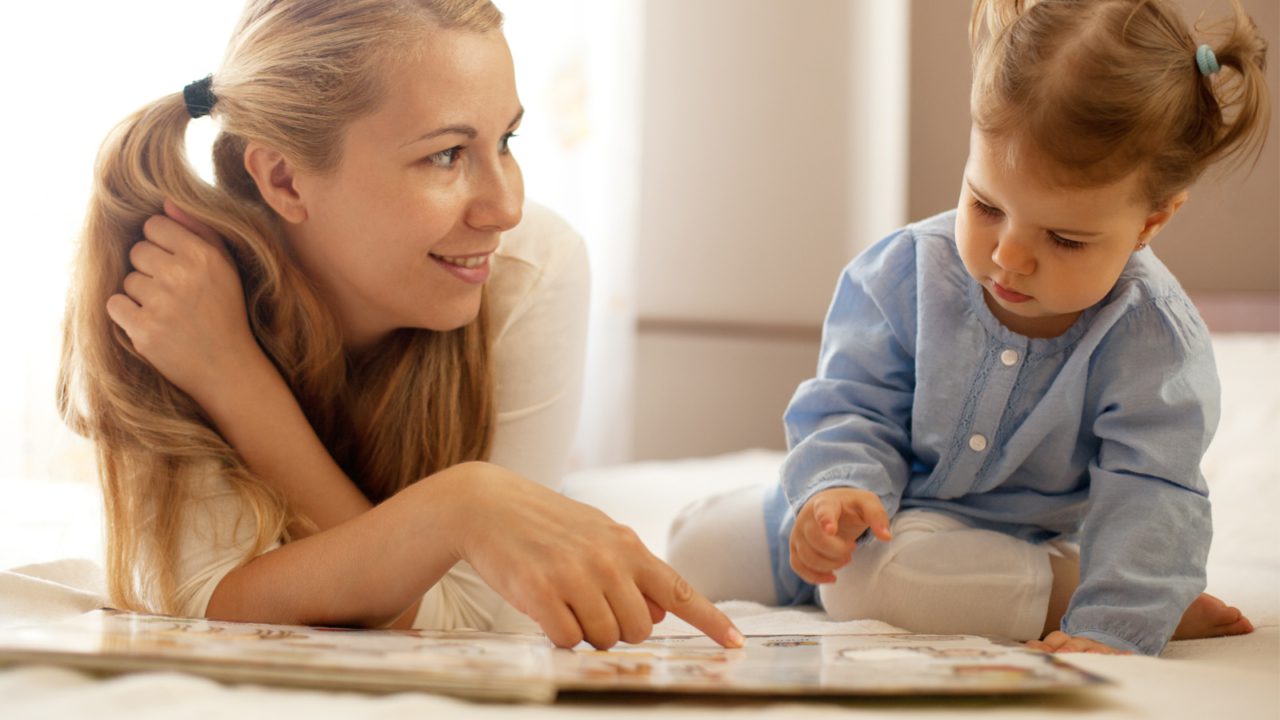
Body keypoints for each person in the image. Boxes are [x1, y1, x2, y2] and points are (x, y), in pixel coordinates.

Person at [58, 0, 742, 652]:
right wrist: (229, 372)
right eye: (446, 155)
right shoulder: (175, 295)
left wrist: (464, 507)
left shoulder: (530, 268)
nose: (505, 207)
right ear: (284, 180)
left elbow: (478, 619)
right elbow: (196, 603)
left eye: (506, 140)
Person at [668, 0, 1269, 656]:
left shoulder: (1152, 341)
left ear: (1152, 221)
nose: (1009, 256)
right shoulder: (905, 272)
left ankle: (1083, 593)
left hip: (1007, 546)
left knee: (876, 586)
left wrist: (1116, 621)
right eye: (986, 205)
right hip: (873, 513)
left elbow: (1153, 495)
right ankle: (828, 550)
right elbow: (852, 401)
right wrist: (837, 490)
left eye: (1064, 239)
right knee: (692, 548)